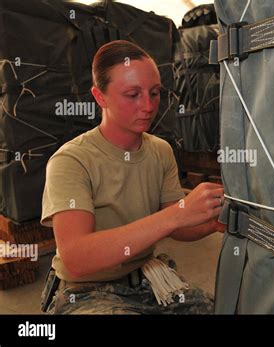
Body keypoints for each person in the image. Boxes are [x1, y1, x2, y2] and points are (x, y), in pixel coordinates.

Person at [40, 40, 225, 314]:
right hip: (86, 289)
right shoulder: (72, 161)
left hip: (148, 276)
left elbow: (178, 227)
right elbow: (77, 257)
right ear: (99, 97)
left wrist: (216, 221)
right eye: (132, 94)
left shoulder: (160, 151)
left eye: (154, 93)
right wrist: (178, 214)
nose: (148, 106)